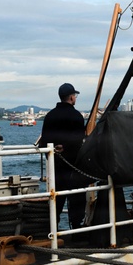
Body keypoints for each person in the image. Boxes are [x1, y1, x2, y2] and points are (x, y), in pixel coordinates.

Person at [38, 83, 87, 229]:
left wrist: (57, 149)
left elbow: (44, 142)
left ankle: (54, 227)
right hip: (73, 165)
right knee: (77, 197)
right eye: (75, 96)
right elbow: (78, 142)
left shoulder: (50, 116)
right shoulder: (77, 116)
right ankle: (76, 226)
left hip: (56, 165)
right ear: (72, 97)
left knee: (56, 197)